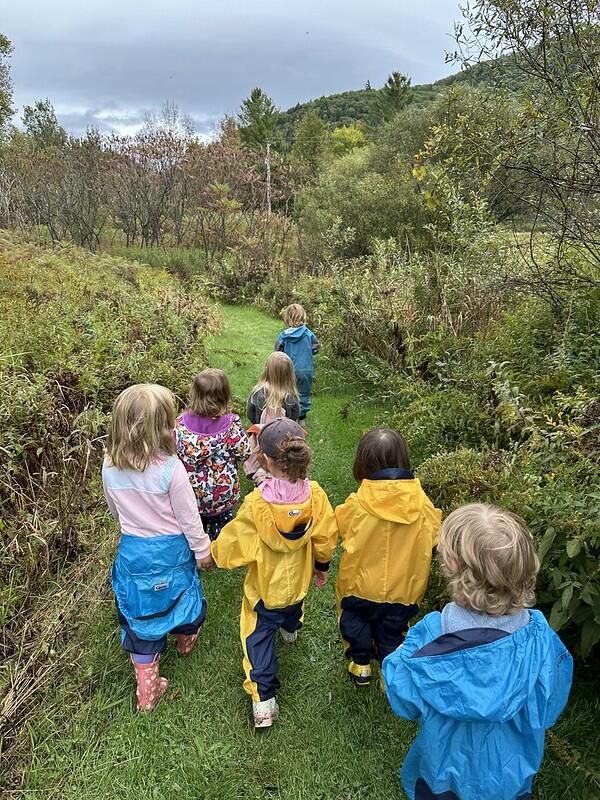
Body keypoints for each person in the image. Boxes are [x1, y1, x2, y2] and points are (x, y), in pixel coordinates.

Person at [383, 503, 573, 800]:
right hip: (509, 776)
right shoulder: (540, 638)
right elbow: (550, 703)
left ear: (453, 567)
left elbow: (404, 700)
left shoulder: (432, 636)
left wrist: (399, 656)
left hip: (441, 774)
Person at [211, 419, 337, 729]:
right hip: (298, 584)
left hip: (264, 592)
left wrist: (213, 554)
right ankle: (291, 631)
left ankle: (263, 703)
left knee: (257, 640)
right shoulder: (316, 496)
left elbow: (233, 542)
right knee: (292, 610)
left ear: (264, 460)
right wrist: (321, 565)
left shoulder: (257, 504)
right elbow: (326, 536)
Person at [102, 383, 214, 712]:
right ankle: (184, 640)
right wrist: (203, 549)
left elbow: (114, 508)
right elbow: (189, 518)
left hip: (134, 551)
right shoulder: (170, 470)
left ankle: (147, 690)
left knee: (141, 610)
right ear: (162, 427)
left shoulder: (110, 465)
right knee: (181, 596)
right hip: (173, 553)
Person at [335, 428, 441, 686]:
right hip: (404, 589)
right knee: (393, 630)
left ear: (362, 463)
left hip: (359, 586)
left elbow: (339, 525)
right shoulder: (422, 503)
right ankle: (389, 670)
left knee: (355, 621)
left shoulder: (357, 502)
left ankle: (360, 664)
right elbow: (437, 536)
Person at [174, 368, 251, 540]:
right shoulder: (231, 424)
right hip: (222, 494)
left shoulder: (179, 425)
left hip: (191, 493)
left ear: (193, 394)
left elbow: (172, 454)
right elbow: (245, 451)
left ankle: (198, 548)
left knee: (194, 527)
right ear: (224, 396)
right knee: (222, 530)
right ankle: (218, 550)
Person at [245, 352, 300, 485]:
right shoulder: (290, 396)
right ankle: (281, 478)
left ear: (267, 370)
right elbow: (294, 417)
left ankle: (261, 477)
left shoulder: (257, 392)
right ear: (289, 374)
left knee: (262, 456)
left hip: (262, 434)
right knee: (283, 459)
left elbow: (249, 413)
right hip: (285, 437)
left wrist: (257, 424)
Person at [275, 304, 320, 423]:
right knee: (303, 393)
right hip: (306, 370)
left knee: (288, 393)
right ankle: (302, 418)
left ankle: (290, 416)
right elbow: (316, 347)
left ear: (287, 318)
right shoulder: (308, 334)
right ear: (303, 317)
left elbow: (277, 353)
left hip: (288, 371)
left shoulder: (283, 336)